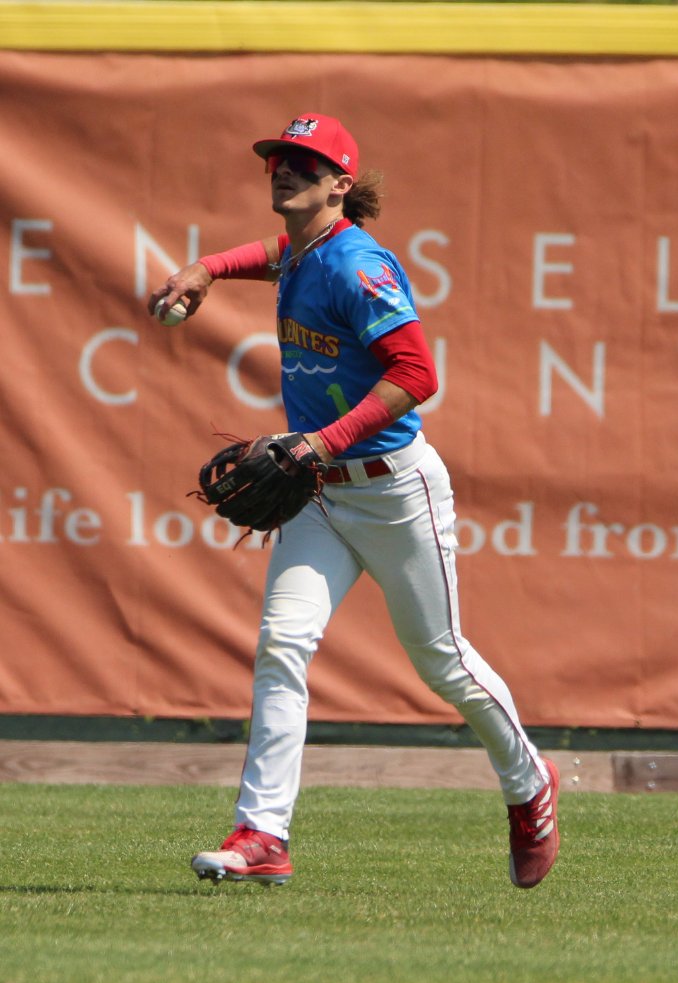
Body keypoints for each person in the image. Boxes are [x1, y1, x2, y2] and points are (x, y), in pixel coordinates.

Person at [148, 112, 559, 888]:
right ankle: (263, 835)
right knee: (282, 643)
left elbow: (416, 375)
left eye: (305, 163)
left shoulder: (356, 264)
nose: (285, 171)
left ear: (340, 184)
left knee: (443, 663)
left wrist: (324, 441)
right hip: (319, 495)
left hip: (392, 492)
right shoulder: (307, 252)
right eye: (278, 159)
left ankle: (529, 783)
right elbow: (277, 254)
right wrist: (206, 267)